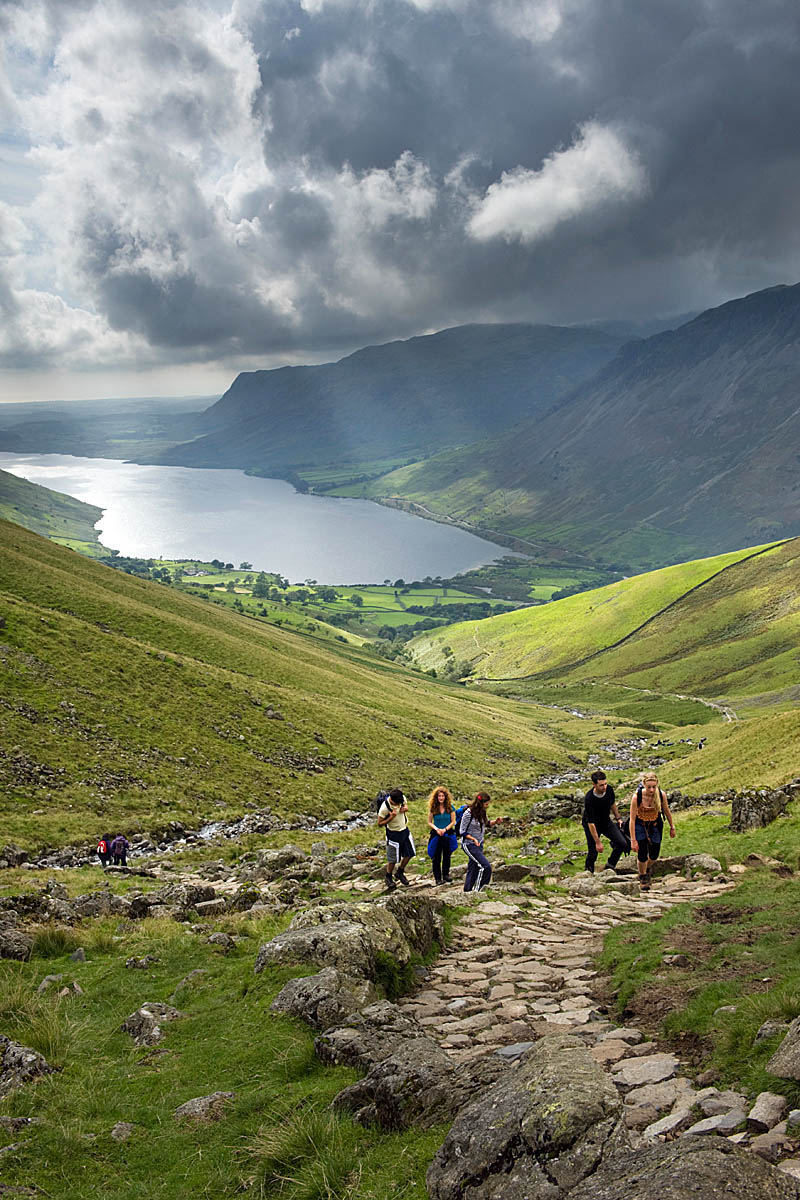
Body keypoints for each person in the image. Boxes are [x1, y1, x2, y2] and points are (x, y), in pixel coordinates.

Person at [628, 772, 676, 891]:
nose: (651, 789)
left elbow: (666, 810)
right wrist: (633, 840)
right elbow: (632, 819)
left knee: (655, 852)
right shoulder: (636, 797)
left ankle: (646, 868)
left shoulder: (661, 795)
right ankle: (643, 876)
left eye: (654, 787)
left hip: (655, 823)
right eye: (649, 787)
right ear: (644, 784)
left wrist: (672, 826)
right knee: (642, 851)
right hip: (640, 823)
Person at [581, 770, 629, 873]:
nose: (604, 787)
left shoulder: (609, 790)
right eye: (601, 785)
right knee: (593, 851)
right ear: (594, 785)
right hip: (591, 825)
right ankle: (588, 872)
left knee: (622, 843)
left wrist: (618, 818)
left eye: (605, 784)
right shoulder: (589, 798)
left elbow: (612, 804)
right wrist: (598, 842)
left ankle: (610, 865)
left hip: (606, 822)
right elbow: (591, 823)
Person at [459, 792, 500, 893]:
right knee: (485, 867)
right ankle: (479, 891)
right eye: (486, 804)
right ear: (480, 803)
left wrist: (495, 822)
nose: (487, 806)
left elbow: (486, 823)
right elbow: (462, 831)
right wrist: (473, 839)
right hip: (469, 844)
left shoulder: (482, 812)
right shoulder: (468, 813)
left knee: (473, 867)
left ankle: (467, 891)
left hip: (479, 844)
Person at [377, 788, 415, 890]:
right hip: (393, 834)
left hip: (404, 831)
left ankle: (400, 872)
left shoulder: (401, 799)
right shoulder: (384, 808)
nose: (399, 805)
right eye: (397, 804)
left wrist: (405, 808)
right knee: (392, 859)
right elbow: (379, 823)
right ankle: (388, 876)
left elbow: (405, 805)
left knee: (409, 853)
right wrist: (390, 817)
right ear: (392, 800)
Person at [426, 785, 456, 885]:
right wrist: (437, 829)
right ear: (436, 797)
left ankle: (446, 874)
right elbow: (429, 822)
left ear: (445, 797)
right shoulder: (433, 808)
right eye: (439, 796)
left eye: (442, 796)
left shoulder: (450, 807)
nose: (441, 798)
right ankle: (437, 878)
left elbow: (453, 821)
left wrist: (445, 829)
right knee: (436, 857)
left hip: (447, 833)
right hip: (436, 834)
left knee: (447, 855)